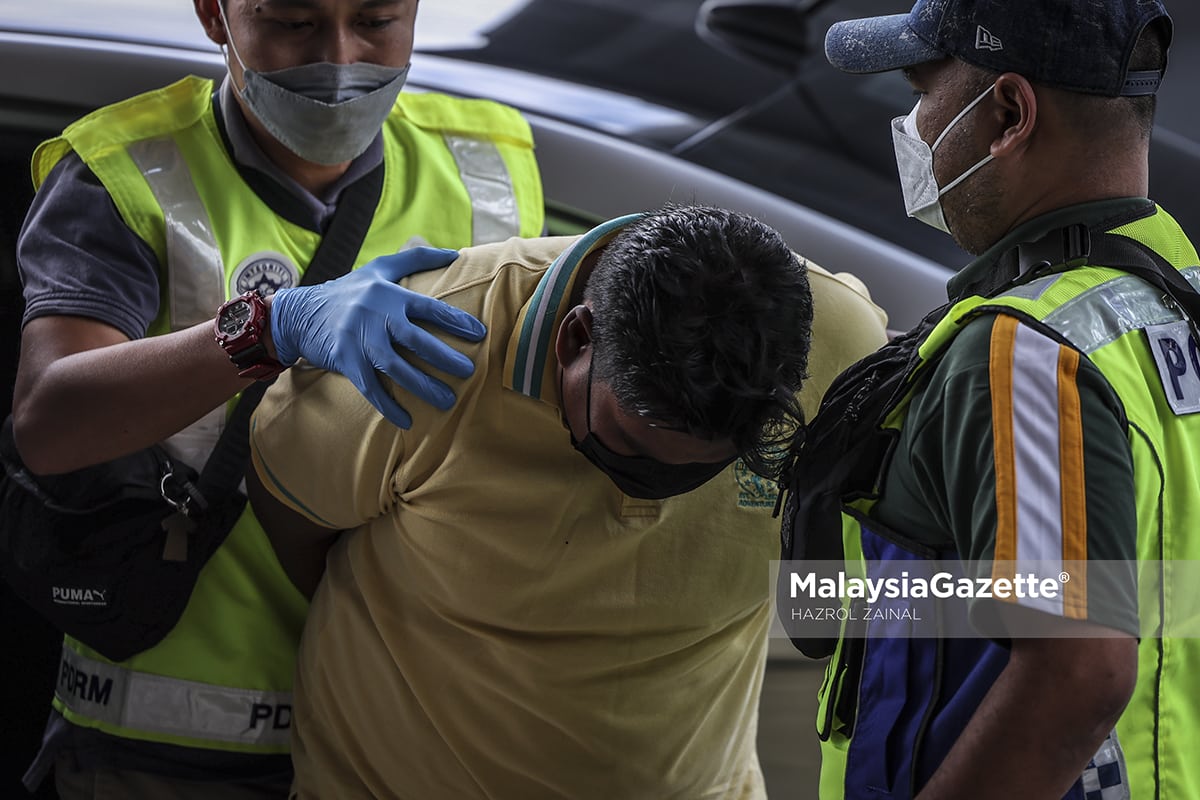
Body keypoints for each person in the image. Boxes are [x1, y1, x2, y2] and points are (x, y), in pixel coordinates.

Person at [10, 0, 544, 796]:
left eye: (377, 20)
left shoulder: (488, 167)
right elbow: (51, 422)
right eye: (293, 21)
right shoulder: (128, 170)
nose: (338, 61)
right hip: (166, 747)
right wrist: (268, 328)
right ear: (214, 14)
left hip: (399, 740)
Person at [246, 204, 890, 799]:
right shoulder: (423, 352)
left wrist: (984, 615)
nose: (663, 482)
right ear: (576, 340)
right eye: (632, 449)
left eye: (711, 466)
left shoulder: (841, 355)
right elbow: (293, 517)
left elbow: (862, 588)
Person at [792, 0, 1198, 797]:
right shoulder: (1175, 312)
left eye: (922, 91)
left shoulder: (1026, 350)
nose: (913, 126)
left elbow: (1078, 669)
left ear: (1008, 112)